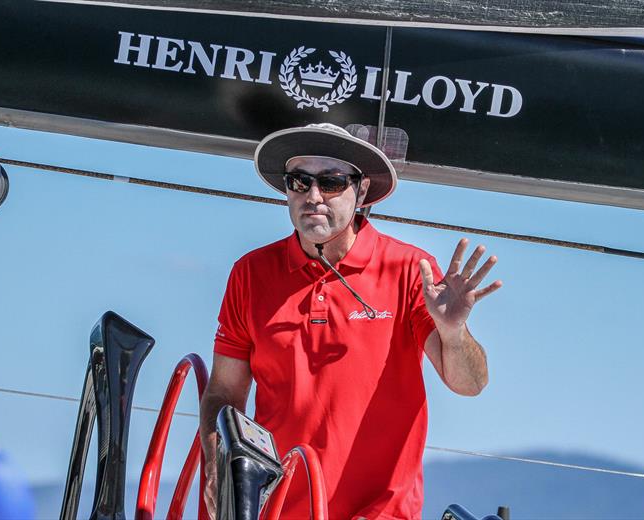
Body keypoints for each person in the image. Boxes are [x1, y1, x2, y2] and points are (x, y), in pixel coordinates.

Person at [199, 123, 502, 520]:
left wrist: (453, 331)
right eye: (299, 181)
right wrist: (217, 463)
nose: (313, 196)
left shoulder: (411, 269)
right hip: (272, 510)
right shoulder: (250, 273)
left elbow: (470, 383)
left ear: (360, 192)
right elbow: (223, 392)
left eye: (331, 182)